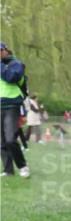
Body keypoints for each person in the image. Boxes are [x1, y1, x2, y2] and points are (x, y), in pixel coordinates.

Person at [0, 42, 29, 177]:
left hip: (12, 105)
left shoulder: (16, 64)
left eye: (0, 51)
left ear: (6, 51)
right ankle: (8, 170)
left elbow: (11, 78)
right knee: (2, 141)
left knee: (11, 139)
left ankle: (22, 166)